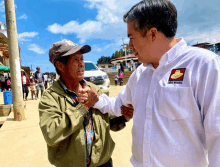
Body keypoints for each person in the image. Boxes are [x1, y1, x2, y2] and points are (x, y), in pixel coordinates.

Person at [78, 0, 220, 166]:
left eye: (132, 38)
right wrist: (97, 100)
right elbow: (119, 104)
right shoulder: (140, 73)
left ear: (153, 34)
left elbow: (217, 134)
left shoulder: (203, 65)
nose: (130, 46)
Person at [38, 39, 134, 167]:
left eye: (82, 59)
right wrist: (83, 107)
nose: (82, 64)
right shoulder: (50, 98)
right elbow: (51, 134)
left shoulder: (94, 89)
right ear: (60, 66)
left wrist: (124, 117)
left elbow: (108, 121)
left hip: (103, 163)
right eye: (76, 60)